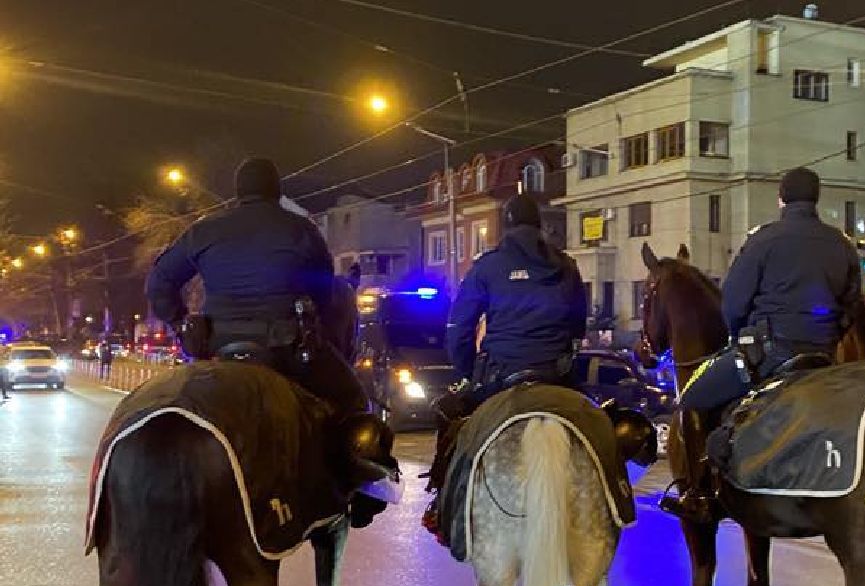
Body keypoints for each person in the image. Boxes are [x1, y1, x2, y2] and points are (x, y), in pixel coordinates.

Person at [146, 158, 390, 516]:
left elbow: (159, 281)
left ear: (238, 192)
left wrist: (180, 321)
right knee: (354, 400)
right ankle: (364, 490)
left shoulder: (204, 230)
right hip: (284, 347)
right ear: (277, 192)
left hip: (218, 349)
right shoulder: (300, 230)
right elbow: (323, 291)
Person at [671, 166, 863, 522]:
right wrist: (830, 335)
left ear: (781, 198)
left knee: (692, 399)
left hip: (769, 354)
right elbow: (853, 301)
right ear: (816, 198)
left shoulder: (764, 239)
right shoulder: (841, 243)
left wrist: (740, 335)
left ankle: (698, 493)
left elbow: (732, 302)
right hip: (822, 358)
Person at [422, 193, 588, 536]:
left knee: (453, 424)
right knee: (599, 425)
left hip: (500, 377)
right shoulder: (566, 265)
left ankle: (442, 507)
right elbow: (577, 330)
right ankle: (616, 497)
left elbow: (459, 329)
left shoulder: (487, 266)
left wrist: (468, 373)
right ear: (540, 225)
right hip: (556, 376)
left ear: (507, 224)